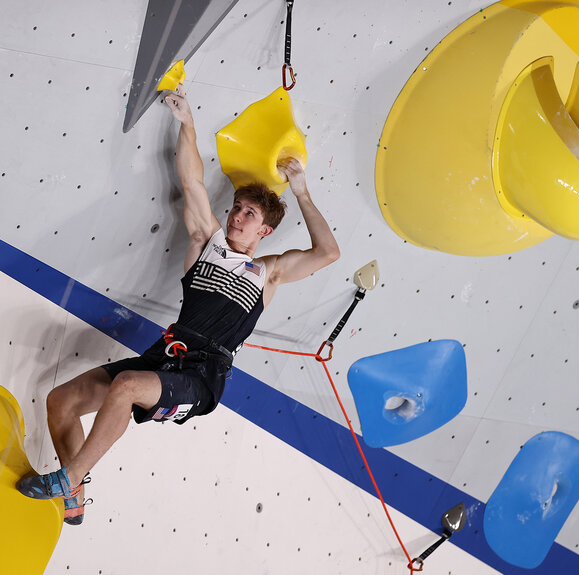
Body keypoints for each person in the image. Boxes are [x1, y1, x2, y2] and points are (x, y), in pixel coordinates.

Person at [17, 86, 340, 525]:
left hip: (203, 376)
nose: (237, 217)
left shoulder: (270, 272)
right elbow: (191, 180)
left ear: (265, 231)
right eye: (237, 208)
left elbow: (327, 253)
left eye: (249, 215)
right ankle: (73, 496)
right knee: (60, 401)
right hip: (168, 352)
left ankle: (68, 478)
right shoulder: (207, 243)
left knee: (127, 387)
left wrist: (301, 190)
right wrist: (187, 121)